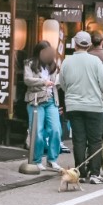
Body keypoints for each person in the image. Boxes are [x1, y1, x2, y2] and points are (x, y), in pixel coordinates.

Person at [58, 30, 103, 185]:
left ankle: (79, 173)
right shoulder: (95, 62)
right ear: (88, 45)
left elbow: (62, 84)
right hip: (94, 105)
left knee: (79, 140)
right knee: (95, 140)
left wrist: (71, 94)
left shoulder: (67, 62)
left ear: (75, 44)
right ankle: (95, 173)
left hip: (74, 105)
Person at [23, 41, 62, 171]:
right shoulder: (30, 64)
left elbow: (56, 82)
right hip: (36, 100)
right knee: (37, 131)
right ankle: (37, 159)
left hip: (51, 100)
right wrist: (43, 82)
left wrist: (59, 81)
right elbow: (27, 80)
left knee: (56, 129)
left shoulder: (53, 65)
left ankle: (52, 159)